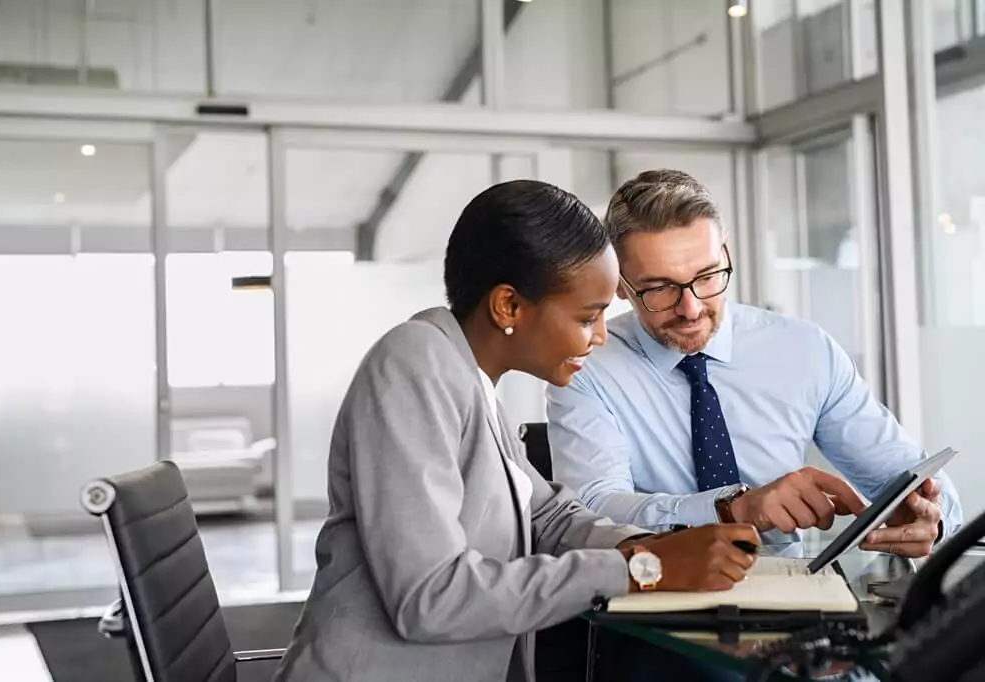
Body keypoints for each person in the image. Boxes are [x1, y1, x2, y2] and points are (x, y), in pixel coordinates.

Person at [272, 180, 761, 682]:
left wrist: (652, 547)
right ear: (508, 306)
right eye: (587, 316)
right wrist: (639, 569)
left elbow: (547, 515)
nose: (598, 336)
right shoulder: (415, 365)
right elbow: (430, 597)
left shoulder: (469, 377)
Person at [546, 169, 962, 557]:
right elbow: (592, 513)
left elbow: (911, 475)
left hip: (798, 605)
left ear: (725, 253)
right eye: (659, 288)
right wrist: (733, 510)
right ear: (620, 284)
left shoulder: (804, 350)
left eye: (708, 276)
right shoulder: (586, 366)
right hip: (652, 609)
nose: (690, 308)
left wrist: (930, 517)